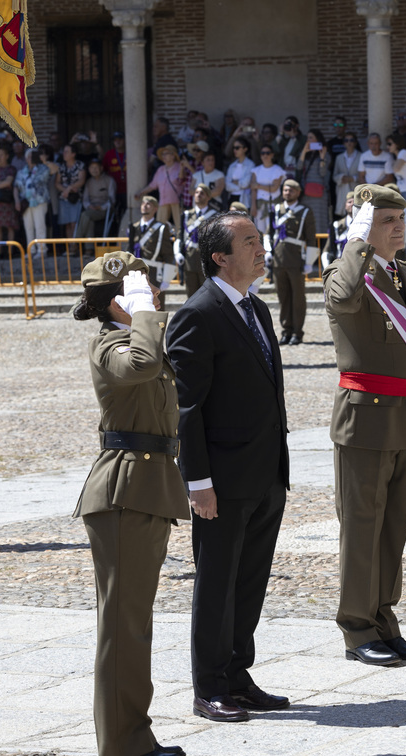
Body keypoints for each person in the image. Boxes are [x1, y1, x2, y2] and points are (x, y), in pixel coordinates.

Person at [165, 210, 290, 724]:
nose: (261, 249)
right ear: (219, 256)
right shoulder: (199, 313)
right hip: (222, 478)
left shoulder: (255, 309)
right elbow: (189, 409)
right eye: (249, 242)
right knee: (217, 583)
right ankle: (209, 685)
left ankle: (239, 676)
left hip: (264, 473)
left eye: (260, 240)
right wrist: (198, 483)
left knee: (250, 581)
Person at [71, 251, 188, 756]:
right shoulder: (111, 342)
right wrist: (143, 314)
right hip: (123, 490)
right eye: (143, 290)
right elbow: (139, 367)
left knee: (134, 622)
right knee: (123, 624)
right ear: (117, 301)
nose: (156, 297)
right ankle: (121, 745)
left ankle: (133, 734)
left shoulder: (139, 337)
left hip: (147, 485)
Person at [323, 184, 406, 667]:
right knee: (362, 528)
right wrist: (355, 244)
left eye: (400, 218)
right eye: (386, 219)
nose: (398, 226)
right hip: (365, 419)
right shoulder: (349, 273)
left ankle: (384, 619)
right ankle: (356, 627)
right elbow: (343, 299)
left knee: (394, 527)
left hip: (405, 416)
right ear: (363, 223)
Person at [270, 179, 318, 344]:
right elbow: (270, 233)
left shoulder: (305, 211)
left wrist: (309, 262)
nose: (287, 193)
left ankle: (297, 332)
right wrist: (268, 252)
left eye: (291, 190)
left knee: (297, 298)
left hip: (296, 259)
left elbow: (311, 238)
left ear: (298, 192)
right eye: (285, 190)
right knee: (283, 297)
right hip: (278, 259)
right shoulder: (276, 209)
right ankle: (286, 330)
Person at [176, 184, 219, 296]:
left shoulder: (214, 215)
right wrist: (178, 252)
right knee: (191, 296)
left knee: (208, 296)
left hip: (207, 261)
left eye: (202, 193)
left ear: (208, 197)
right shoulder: (186, 215)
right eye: (196, 192)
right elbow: (180, 235)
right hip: (189, 260)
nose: (198, 195)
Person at [126, 195, 174, 290]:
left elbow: (168, 254)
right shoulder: (134, 227)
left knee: (155, 303)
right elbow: (129, 250)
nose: (145, 206)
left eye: (148, 204)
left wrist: (166, 279)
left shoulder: (161, 228)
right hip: (136, 272)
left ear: (155, 209)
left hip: (153, 273)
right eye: (143, 203)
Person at [15, 148, 53, 258]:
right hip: (26, 203)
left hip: (40, 201)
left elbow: (52, 172)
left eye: (33, 156)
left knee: (40, 225)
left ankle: (42, 251)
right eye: (29, 156)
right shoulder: (21, 172)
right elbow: (16, 187)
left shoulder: (43, 169)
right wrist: (17, 200)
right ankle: (31, 250)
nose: (30, 159)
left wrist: (43, 161)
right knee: (28, 226)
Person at [296, 129, 330, 234]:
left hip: (319, 193)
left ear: (317, 140)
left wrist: (322, 158)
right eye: (307, 138)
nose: (308, 140)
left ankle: (321, 245)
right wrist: (304, 152)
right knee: (306, 218)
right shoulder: (305, 154)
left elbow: (323, 173)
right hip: (306, 192)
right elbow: (298, 167)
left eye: (311, 138)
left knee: (319, 220)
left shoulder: (325, 154)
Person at [78, 159, 117, 246]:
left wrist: (101, 207)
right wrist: (89, 206)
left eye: (96, 167)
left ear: (101, 168)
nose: (94, 170)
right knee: (88, 219)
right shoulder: (89, 182)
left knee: (85, 215)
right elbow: (85, 200)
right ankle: (89, 249)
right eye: (91, 168)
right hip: (91, 209)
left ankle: (76, 241)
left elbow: (112, 200)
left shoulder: (109, 180)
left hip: (104, 210)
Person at [248, 145, 284, 233]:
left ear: (272, 155)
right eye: (263, 153)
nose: (265, 155)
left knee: (272, 231)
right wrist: (253, 206)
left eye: (268, 153)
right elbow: (253, 188)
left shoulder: (277, 170)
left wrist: (258, 185)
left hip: (273, 205)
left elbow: (274, 188)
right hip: (259, 205)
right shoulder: (256, 170)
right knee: (259, 232)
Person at [55, 143, 86, 241]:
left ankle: (76, 245)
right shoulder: (61, 167)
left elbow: (81, 180)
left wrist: (69, 189)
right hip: (64, 198)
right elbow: (57, 183)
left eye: (67, 152)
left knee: (74, 223)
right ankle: (70, 246)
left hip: (76, 198)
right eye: (63, 151)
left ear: (73, 154)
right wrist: (66, 191)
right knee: (67, 223)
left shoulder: (80, 165)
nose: (64, 154)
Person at [331, 133, 361, 220]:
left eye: (351, 140)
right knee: (343, 215)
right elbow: (334, 176)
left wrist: (353, 178)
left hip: (356, 189)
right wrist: (341, 177)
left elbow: (364, 175)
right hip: (342, 191)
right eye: (346, 140)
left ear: (355, 142)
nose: (349, 143)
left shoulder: (361, 156)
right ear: (343, 143)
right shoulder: (339, 157)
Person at [224, 137, 255, 209]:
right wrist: (241, 186)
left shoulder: (251, 164)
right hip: (232, 199)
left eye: (237, 148)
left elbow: (246, 183)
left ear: (245, 149)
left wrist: (234, 182)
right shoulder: (232, 165)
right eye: (234, 148)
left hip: (244, 200)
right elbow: (227, 186)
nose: (235, 150)